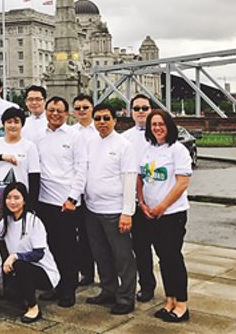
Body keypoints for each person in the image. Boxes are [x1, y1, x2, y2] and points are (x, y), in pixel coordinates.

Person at [138, 110, 193, 323]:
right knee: (162, 259)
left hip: (171, 214)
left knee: (173, 258)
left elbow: (182, 183)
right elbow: (140, 178)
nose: (157, 128)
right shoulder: (148, 149)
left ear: (169, 126)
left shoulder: (178, 150)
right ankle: (170, 300)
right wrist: (142, 203)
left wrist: (162, 206)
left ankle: (181, 305)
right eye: (153, 125)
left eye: (161, 124)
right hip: (150, 214)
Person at [83, 104, 138, 315]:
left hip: (115, 211)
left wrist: (127, 212)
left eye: (106, 118)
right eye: (97, 118)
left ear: (115, 120)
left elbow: (129, 179)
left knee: (122, 257)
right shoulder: (90, 143)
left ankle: (126, 297)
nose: (102, 122)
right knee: (101, 254)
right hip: (92, 209)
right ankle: (108, 290)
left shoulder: (124, 145)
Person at [35, 96, 87, 308]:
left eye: (59, 111)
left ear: (67, 113)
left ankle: (69, 289)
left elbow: (81, 169)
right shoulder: (39, 136)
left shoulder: (75, 136)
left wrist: (73, 197)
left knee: (68, 249)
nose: (55, 114)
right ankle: (56, 285)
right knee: (51, 247)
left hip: (67, 203)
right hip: (44, 201)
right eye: (51, 110)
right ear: (46, 111)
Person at [0, 182, 59, 323]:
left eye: (16, 198)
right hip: (20, 269)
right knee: (12, 295)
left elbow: (38, 254)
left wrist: (15, 256)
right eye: (9, 198)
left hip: (44, 273)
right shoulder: (7, 221)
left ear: (24, 200)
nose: (12, 202)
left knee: (19, 264)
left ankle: (33, 308)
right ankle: (21, 292)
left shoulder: (34, 221)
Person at [123, 94, 156, 302]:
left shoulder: (159, 133)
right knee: (140, 248)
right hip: (136, 201)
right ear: (131, 112)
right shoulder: (125, 138)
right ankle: (146, 285)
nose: (141, 112)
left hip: (158, 200)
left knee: (165, 250)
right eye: (137, 108)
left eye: (145, 108)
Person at [0, 107, 41, 205]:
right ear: (3, 124)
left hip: (20, 200)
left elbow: (34, 178)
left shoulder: (30, 146)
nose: (12, 125)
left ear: (22, 125)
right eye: (9, 122)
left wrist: (31, 205)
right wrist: (2, 157)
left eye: (16, 122)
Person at [71, 93, 97, 287]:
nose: (81, 111)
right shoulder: (71, 132)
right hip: (77, 192)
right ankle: (86, 272)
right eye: (78, 108)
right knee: (81, 236)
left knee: (98, 237)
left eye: (85, 107)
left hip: (96, 190)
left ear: (92, 108)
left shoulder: (100, 130)